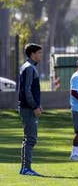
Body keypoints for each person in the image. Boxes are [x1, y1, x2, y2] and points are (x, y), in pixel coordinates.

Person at [18, 43, 43, 176]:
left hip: (28, 107)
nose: (41, 55)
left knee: (29, 138)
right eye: (39, 53)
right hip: (28, 108)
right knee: (31, 139)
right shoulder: (29, 68)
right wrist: (35, 106)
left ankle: (25, 168)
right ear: (32, 54)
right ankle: (26, 168)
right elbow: (27, 90)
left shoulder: (29, 67)